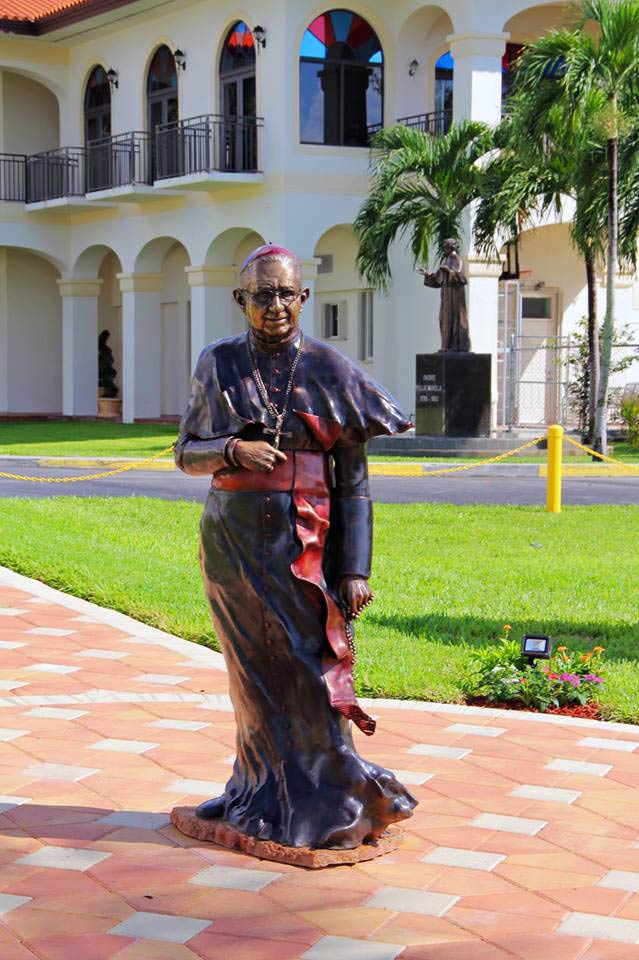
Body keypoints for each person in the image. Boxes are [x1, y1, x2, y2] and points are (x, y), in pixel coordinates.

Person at [175, 244, 417, 850]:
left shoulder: (333, 370)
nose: (276, 305)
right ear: (241, 300)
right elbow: (184, 452)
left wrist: (354, 568)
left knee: (309, 671)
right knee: (250, 673)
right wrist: (232, 450)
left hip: (302, 540)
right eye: (263, 294)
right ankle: (251, 792)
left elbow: (355, 487)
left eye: (287, 294)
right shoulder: (218, 363)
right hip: (230, 536)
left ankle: (335, 796)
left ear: (304, 297)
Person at [419, 238, 471, 352]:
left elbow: (461, 277)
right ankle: (447, 345)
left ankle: (454, 345)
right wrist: (428, 274)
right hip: (447, 296)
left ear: (451, 247)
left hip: (455, 297)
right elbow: (439, 278)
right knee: (444, 319)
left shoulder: (457, 259)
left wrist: (448, 271)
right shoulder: (447, 259)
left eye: (445, 247)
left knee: (454, 319)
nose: (444, 249)